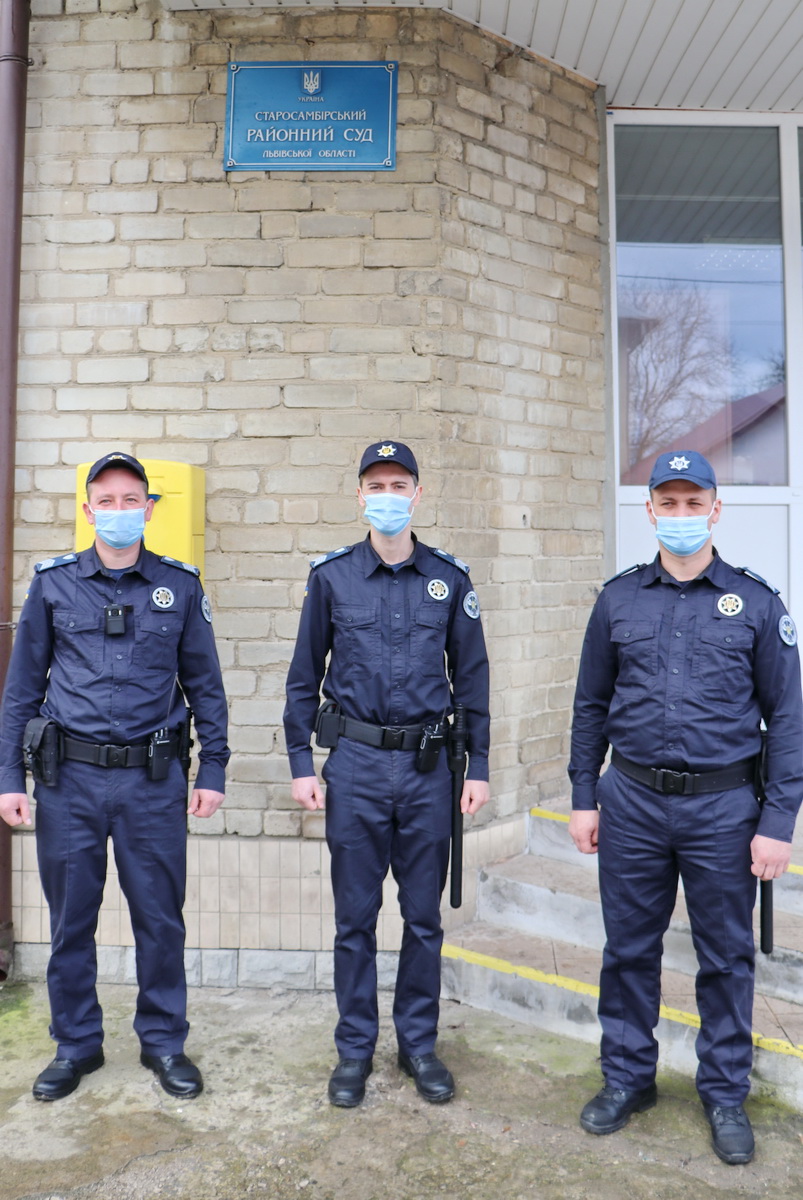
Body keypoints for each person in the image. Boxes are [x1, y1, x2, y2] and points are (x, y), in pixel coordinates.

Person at [568, 449, 803, 1165]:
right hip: (632, 800)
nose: (680, 515)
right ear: (649, 511)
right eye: (667, 503)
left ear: (714, 509)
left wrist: (777, 822)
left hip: (723, 808)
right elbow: (589, 706)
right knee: (627, 951)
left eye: (692, 502)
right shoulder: (617, 600)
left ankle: (725, 1094)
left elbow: (787, 718)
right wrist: (583, 796)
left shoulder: (756, 603)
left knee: (725, 957)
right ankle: (627, 1078)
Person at [0, 451, 229, 1101]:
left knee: (160, 919)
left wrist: (212, 768)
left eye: (132, 500)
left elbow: (206, 688)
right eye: (107, 501)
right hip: (68, 782)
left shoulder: (180, 587)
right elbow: (21, 691)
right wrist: (9, 777)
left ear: (149, 509)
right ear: (88, 510)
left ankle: (163, 1042)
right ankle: (76, 1044)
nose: (119, 511)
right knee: (71, 920)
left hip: (152, 783)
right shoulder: (53, 585)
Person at [283, 440, 490, 1107]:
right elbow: (302, 678)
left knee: (423, 918)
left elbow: (473, 679)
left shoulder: (449, 580)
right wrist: (301, 764)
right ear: (359, 496)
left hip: (429, 770)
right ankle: (354, 1051)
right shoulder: (332, 578)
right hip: (357, 768)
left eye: (399, 485)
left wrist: (478, 766)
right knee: (355, 919)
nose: (388, 497)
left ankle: (418, 1046)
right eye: (376, 486)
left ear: (417, 495)